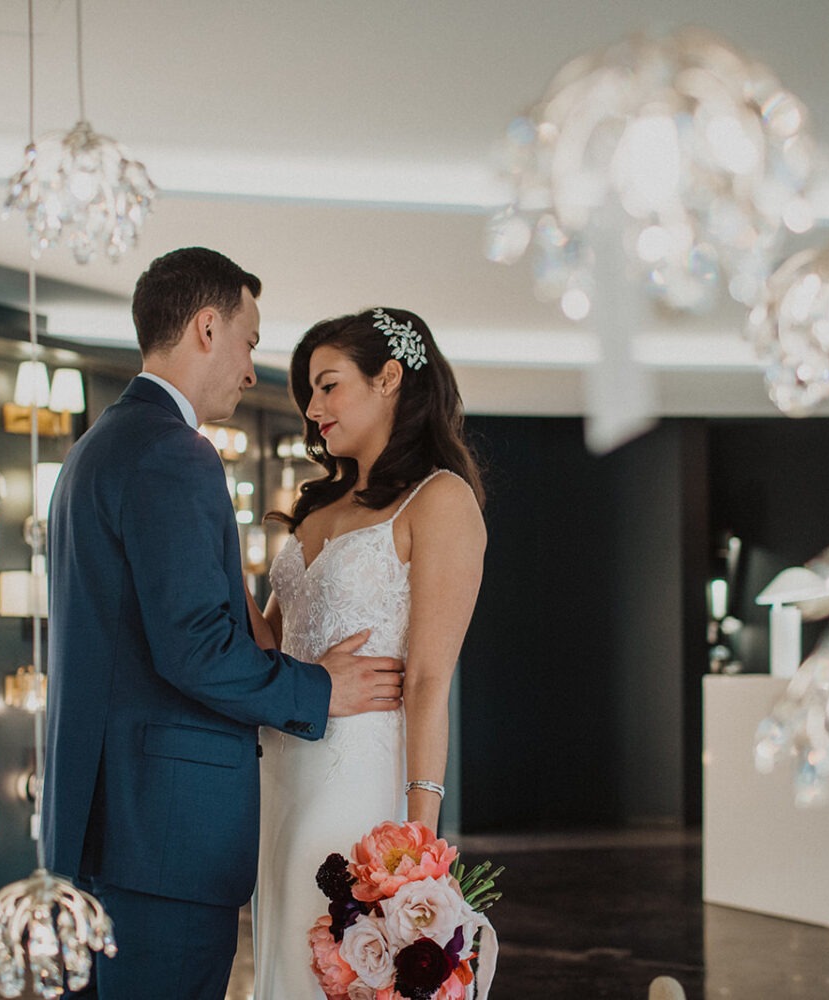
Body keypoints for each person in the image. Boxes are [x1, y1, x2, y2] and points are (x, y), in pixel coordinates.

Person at [41, 248, 405, 1000]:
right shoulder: (177, 454)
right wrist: (318, 689)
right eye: (250, 341)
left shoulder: (94, 451)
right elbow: (196, 651)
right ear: (207, 327)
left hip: (105, 821)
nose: (250, 368)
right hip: (164, 834)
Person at [250, 307, 487, 999]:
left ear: (389, 378)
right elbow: (271, 649)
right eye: (308, 395)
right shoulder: (316, 511)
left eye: (327, 386)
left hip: (360, 781)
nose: (312, 410)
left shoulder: (439, 500)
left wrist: (420, 851)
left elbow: (431, 679)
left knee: (342, 970)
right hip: (281, 774)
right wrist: (218, 563)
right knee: (288, 958)